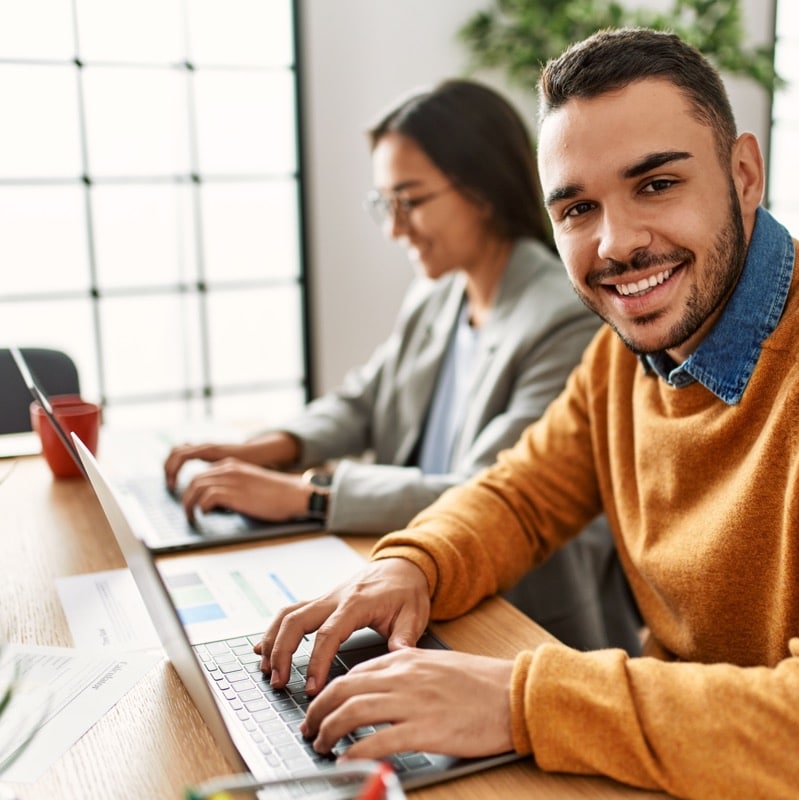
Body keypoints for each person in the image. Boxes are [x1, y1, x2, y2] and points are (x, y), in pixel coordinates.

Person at [251, 28, 799, 800]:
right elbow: (518, 496)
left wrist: (521, 701)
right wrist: (412, 564)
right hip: (686, 772)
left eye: (656, 184)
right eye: (579, 207)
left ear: (743, 173)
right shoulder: (629, 355)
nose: (617, 244)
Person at [163, 79, 641, 655]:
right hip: (415, 578)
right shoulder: (440, 293)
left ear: (482, 189)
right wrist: (265, 449)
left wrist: (307, 495)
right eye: (384, 205)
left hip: (520, 622)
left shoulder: (563, 316)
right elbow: (364, 401)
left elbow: (484, 494)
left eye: (409, 202)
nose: (394, 228)